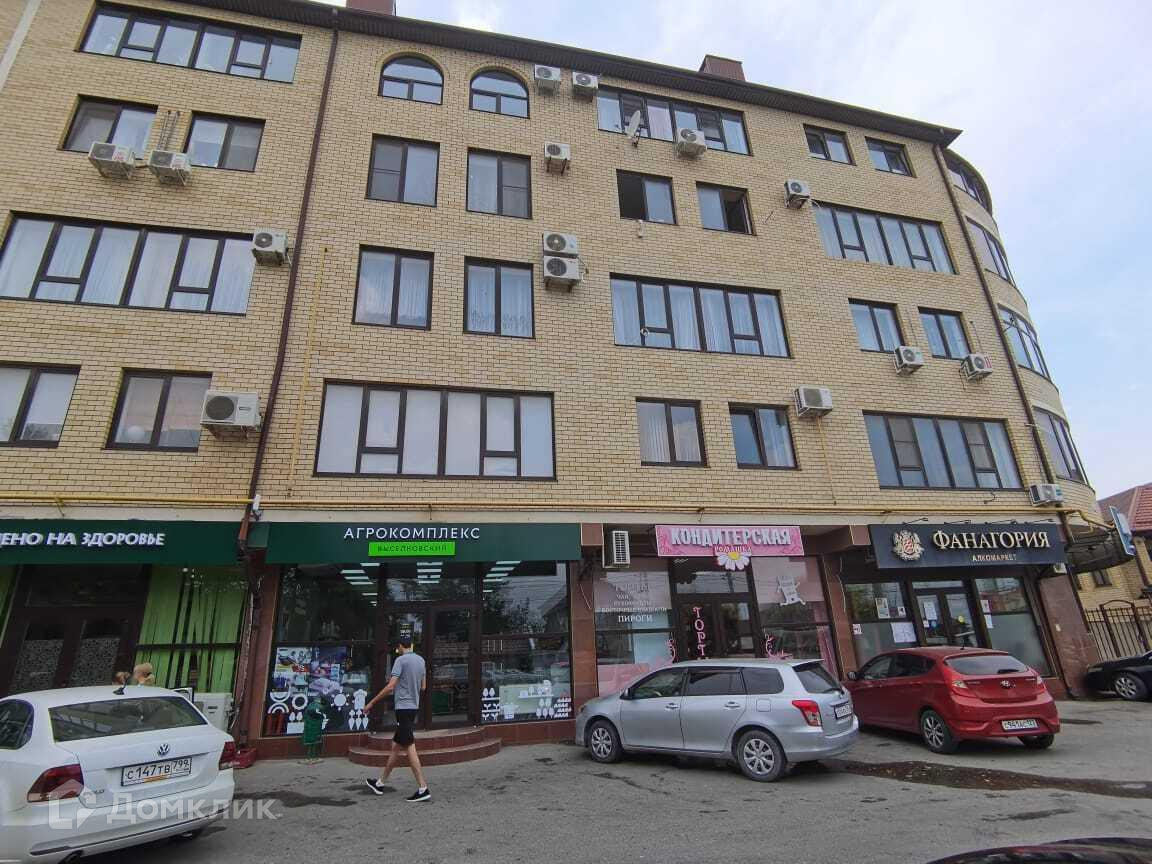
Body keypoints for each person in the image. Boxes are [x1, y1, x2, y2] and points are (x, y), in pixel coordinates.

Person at [364, 636, 430, 802]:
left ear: (401, 646)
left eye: (397, 648)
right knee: (396, 746)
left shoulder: (400, 660)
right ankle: (380, 783)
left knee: (409, 746)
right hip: (413, 708)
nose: (397, 650)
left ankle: (423, 788)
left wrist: (371, 702)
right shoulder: (421, 660)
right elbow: (423, 687)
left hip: (402, 708)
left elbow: (391, 686)